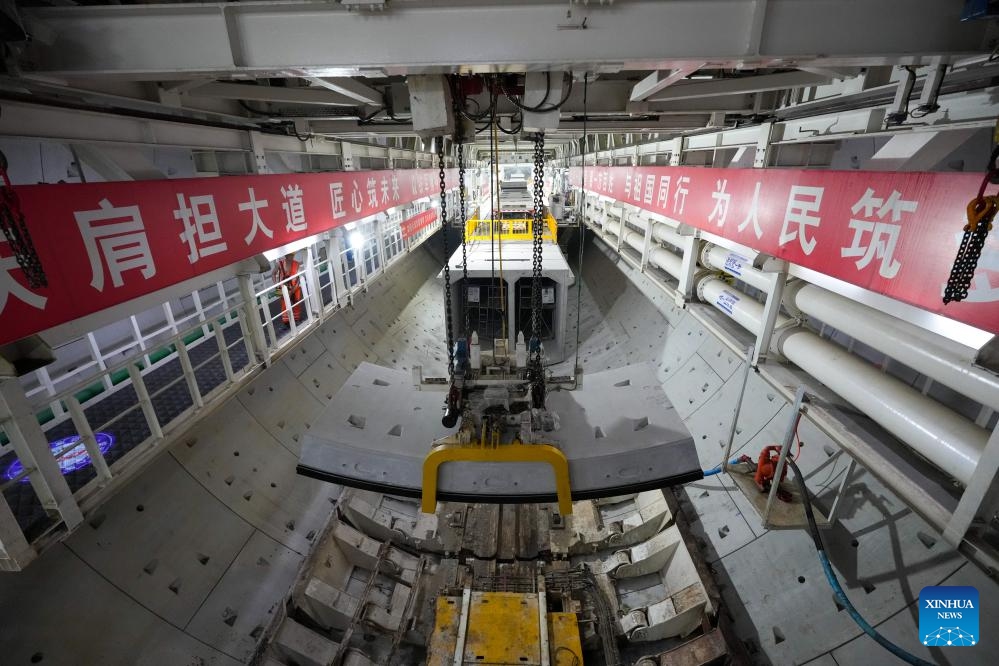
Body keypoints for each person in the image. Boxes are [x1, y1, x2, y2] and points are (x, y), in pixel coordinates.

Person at [273, 253, 302, 325]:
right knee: (284, 304)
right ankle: (286, 321)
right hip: (281, 287)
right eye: (289, 255)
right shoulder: (279, 264)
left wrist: (292, 291)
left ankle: (296, 319)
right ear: (285, 255)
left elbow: (298, 279)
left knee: (296, 302)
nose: (290, 256)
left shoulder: (297, 264)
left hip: (294, 287)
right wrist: (276, 285)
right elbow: (273, 274)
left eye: (292, 255)